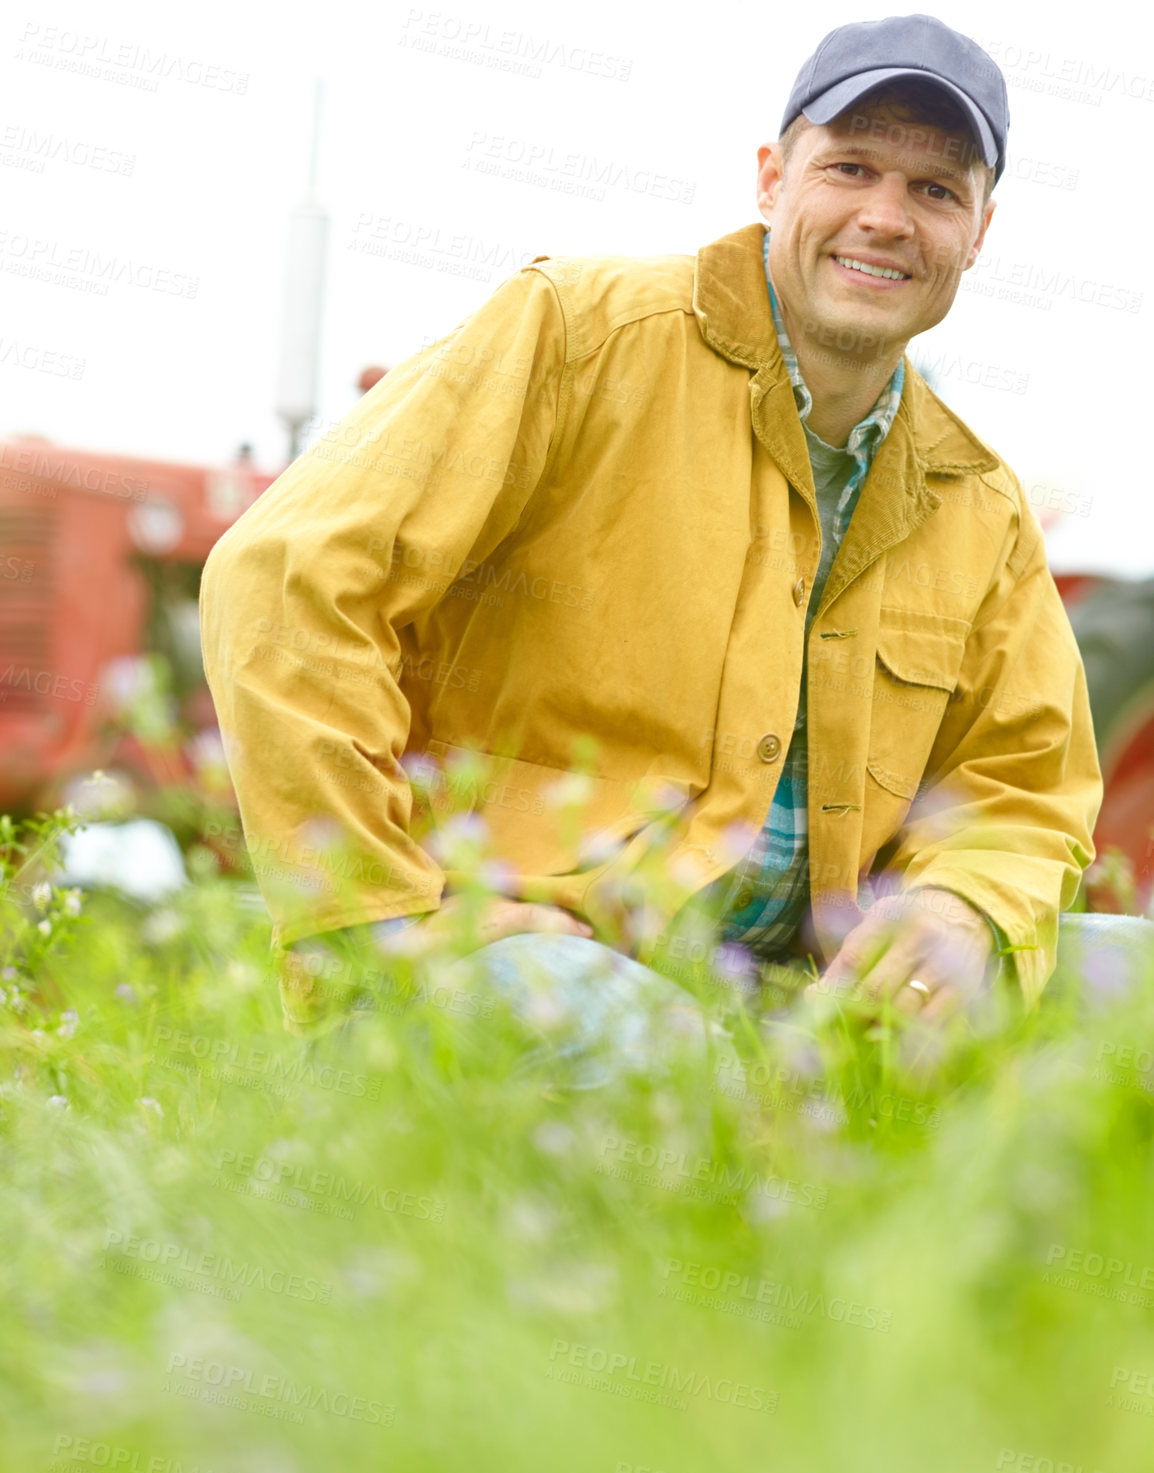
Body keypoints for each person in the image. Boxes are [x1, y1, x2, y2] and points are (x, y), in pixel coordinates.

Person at [200, 13, 1105, 1051]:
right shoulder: (576, 333)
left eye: (934, 190)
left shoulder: (978, 504)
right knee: (681, 1082)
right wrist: (384, 917)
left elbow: (1025, 787)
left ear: (977, 233)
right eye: (849, 168)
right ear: (769, 180)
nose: (886, 218)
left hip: (813, 1003)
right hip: (529, 952)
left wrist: (960, 909)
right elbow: (281, 583)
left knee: (1133, 993)